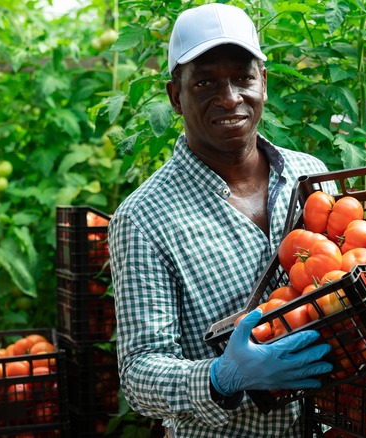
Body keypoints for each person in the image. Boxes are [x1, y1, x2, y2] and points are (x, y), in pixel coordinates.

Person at [108, 4, 333, 437]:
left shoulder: (311, 176)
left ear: (263, 83)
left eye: (243, 78)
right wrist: (220, 377)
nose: (229, 97)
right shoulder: (143, 217)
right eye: (206, 82)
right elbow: (139, 373)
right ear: (176, 96)